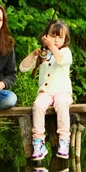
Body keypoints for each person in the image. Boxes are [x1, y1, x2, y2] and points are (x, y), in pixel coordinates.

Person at [19, 20, 72, 160]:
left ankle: (64, 140)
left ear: (65, 39)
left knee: (61, 104)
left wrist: (50, 46)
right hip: (45, 93)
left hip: (62, 92)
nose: (55, 40)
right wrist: (34, 54)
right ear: (46, 36)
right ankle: (39, 142)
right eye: (52, 36)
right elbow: (23, 68)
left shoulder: (65, 52)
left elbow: (60, 60)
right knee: (38, 105)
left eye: (60, 37)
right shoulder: (43, 53)